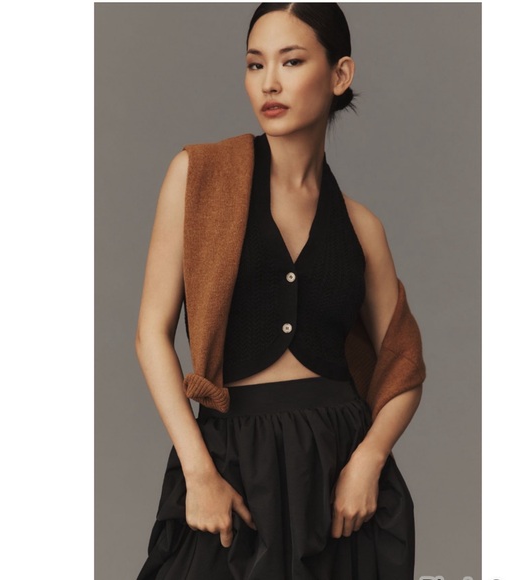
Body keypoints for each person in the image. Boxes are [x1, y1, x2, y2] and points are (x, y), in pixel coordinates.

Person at [135, 3, 424, 579]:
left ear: (339, 75)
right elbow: (151, 335)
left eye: (291, 62)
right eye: (255, 64)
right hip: (231, 460)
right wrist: (198, 471)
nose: (269, 82)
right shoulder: (198, 177)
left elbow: (403, 366)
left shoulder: (361, 227)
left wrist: (368, 460)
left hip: (338, 475)